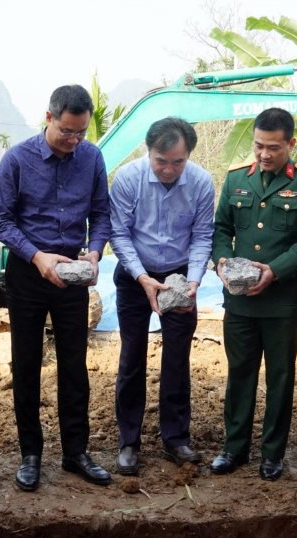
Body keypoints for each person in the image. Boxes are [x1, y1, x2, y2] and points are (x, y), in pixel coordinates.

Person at [0, 85, 112, 491]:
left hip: (72, 275)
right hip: (29, 273)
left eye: (80, 133)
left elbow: (100, 213)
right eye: (66, 132)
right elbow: (1, 221)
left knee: (74, 366)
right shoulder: (18, 160)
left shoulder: (92, 157)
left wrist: (93, 254)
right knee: (26, 365)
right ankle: (31, 454)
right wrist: (37, 256)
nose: (73, 141)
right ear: (49, 117)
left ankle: (76, 451)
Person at [209, 107, 297, 481]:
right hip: (240, 299)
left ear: (291, 144)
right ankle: (234, 448)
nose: (264, 154)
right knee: (239, 373)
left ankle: (272, 454)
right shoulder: (235, 179)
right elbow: (220, 230)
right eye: (259, 145)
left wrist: (274, 271)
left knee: (279, 377)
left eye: (273, 147)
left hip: (280, 301)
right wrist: (223, 263)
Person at [108, 117, 214, 475]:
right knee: (132, 356)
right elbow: (119, 234)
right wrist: (142, 277)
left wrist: (195, 280)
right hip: (135, 275)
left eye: (177, 161)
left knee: (177, 360)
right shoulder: (127, 179)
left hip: (181, 276)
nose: (169, 169)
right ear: (148, 151)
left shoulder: (200, 182)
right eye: (161, 160)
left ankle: (175, 438)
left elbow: (202, 236)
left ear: (188, 156)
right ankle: (128, 441)